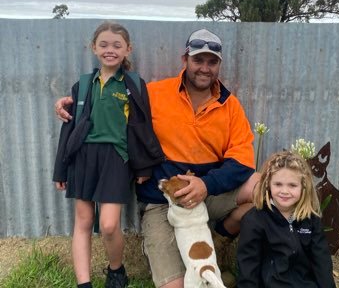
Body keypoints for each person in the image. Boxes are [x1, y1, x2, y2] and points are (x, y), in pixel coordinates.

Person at [55, 28, 259, 288]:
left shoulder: (230, 105)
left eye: (212, 62)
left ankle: (218, 241)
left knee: (262, 187)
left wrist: (206, 185)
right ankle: (164, 253)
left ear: (219, 65)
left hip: (208, 193)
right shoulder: (153, 93)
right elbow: (111, 104)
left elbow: (243, 161)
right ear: (185, 60)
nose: (204, 68)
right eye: (198, 60)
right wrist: (70, 103)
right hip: (162, 201)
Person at [53, 22, 164, 288]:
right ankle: (84, 283)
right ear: (94, 48)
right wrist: (60, 169)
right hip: (83, 158)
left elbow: (142, 127)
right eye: (103, 45)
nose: (110, 50)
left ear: (128, 49)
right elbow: (69, 127)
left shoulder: (134, 84)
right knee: (83, 220)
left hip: (117, 159)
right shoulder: (82, 85)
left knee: (109, 224)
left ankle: (116, 271)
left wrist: (143, 168)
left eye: (116, 45)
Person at [237, 151, 336, 288]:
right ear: (268, 184)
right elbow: (248, 269)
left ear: (303, 186)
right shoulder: (254, 220)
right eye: (278, 184)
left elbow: (322, 263)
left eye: (292, 185)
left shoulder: (311, 220)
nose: (285, 191)